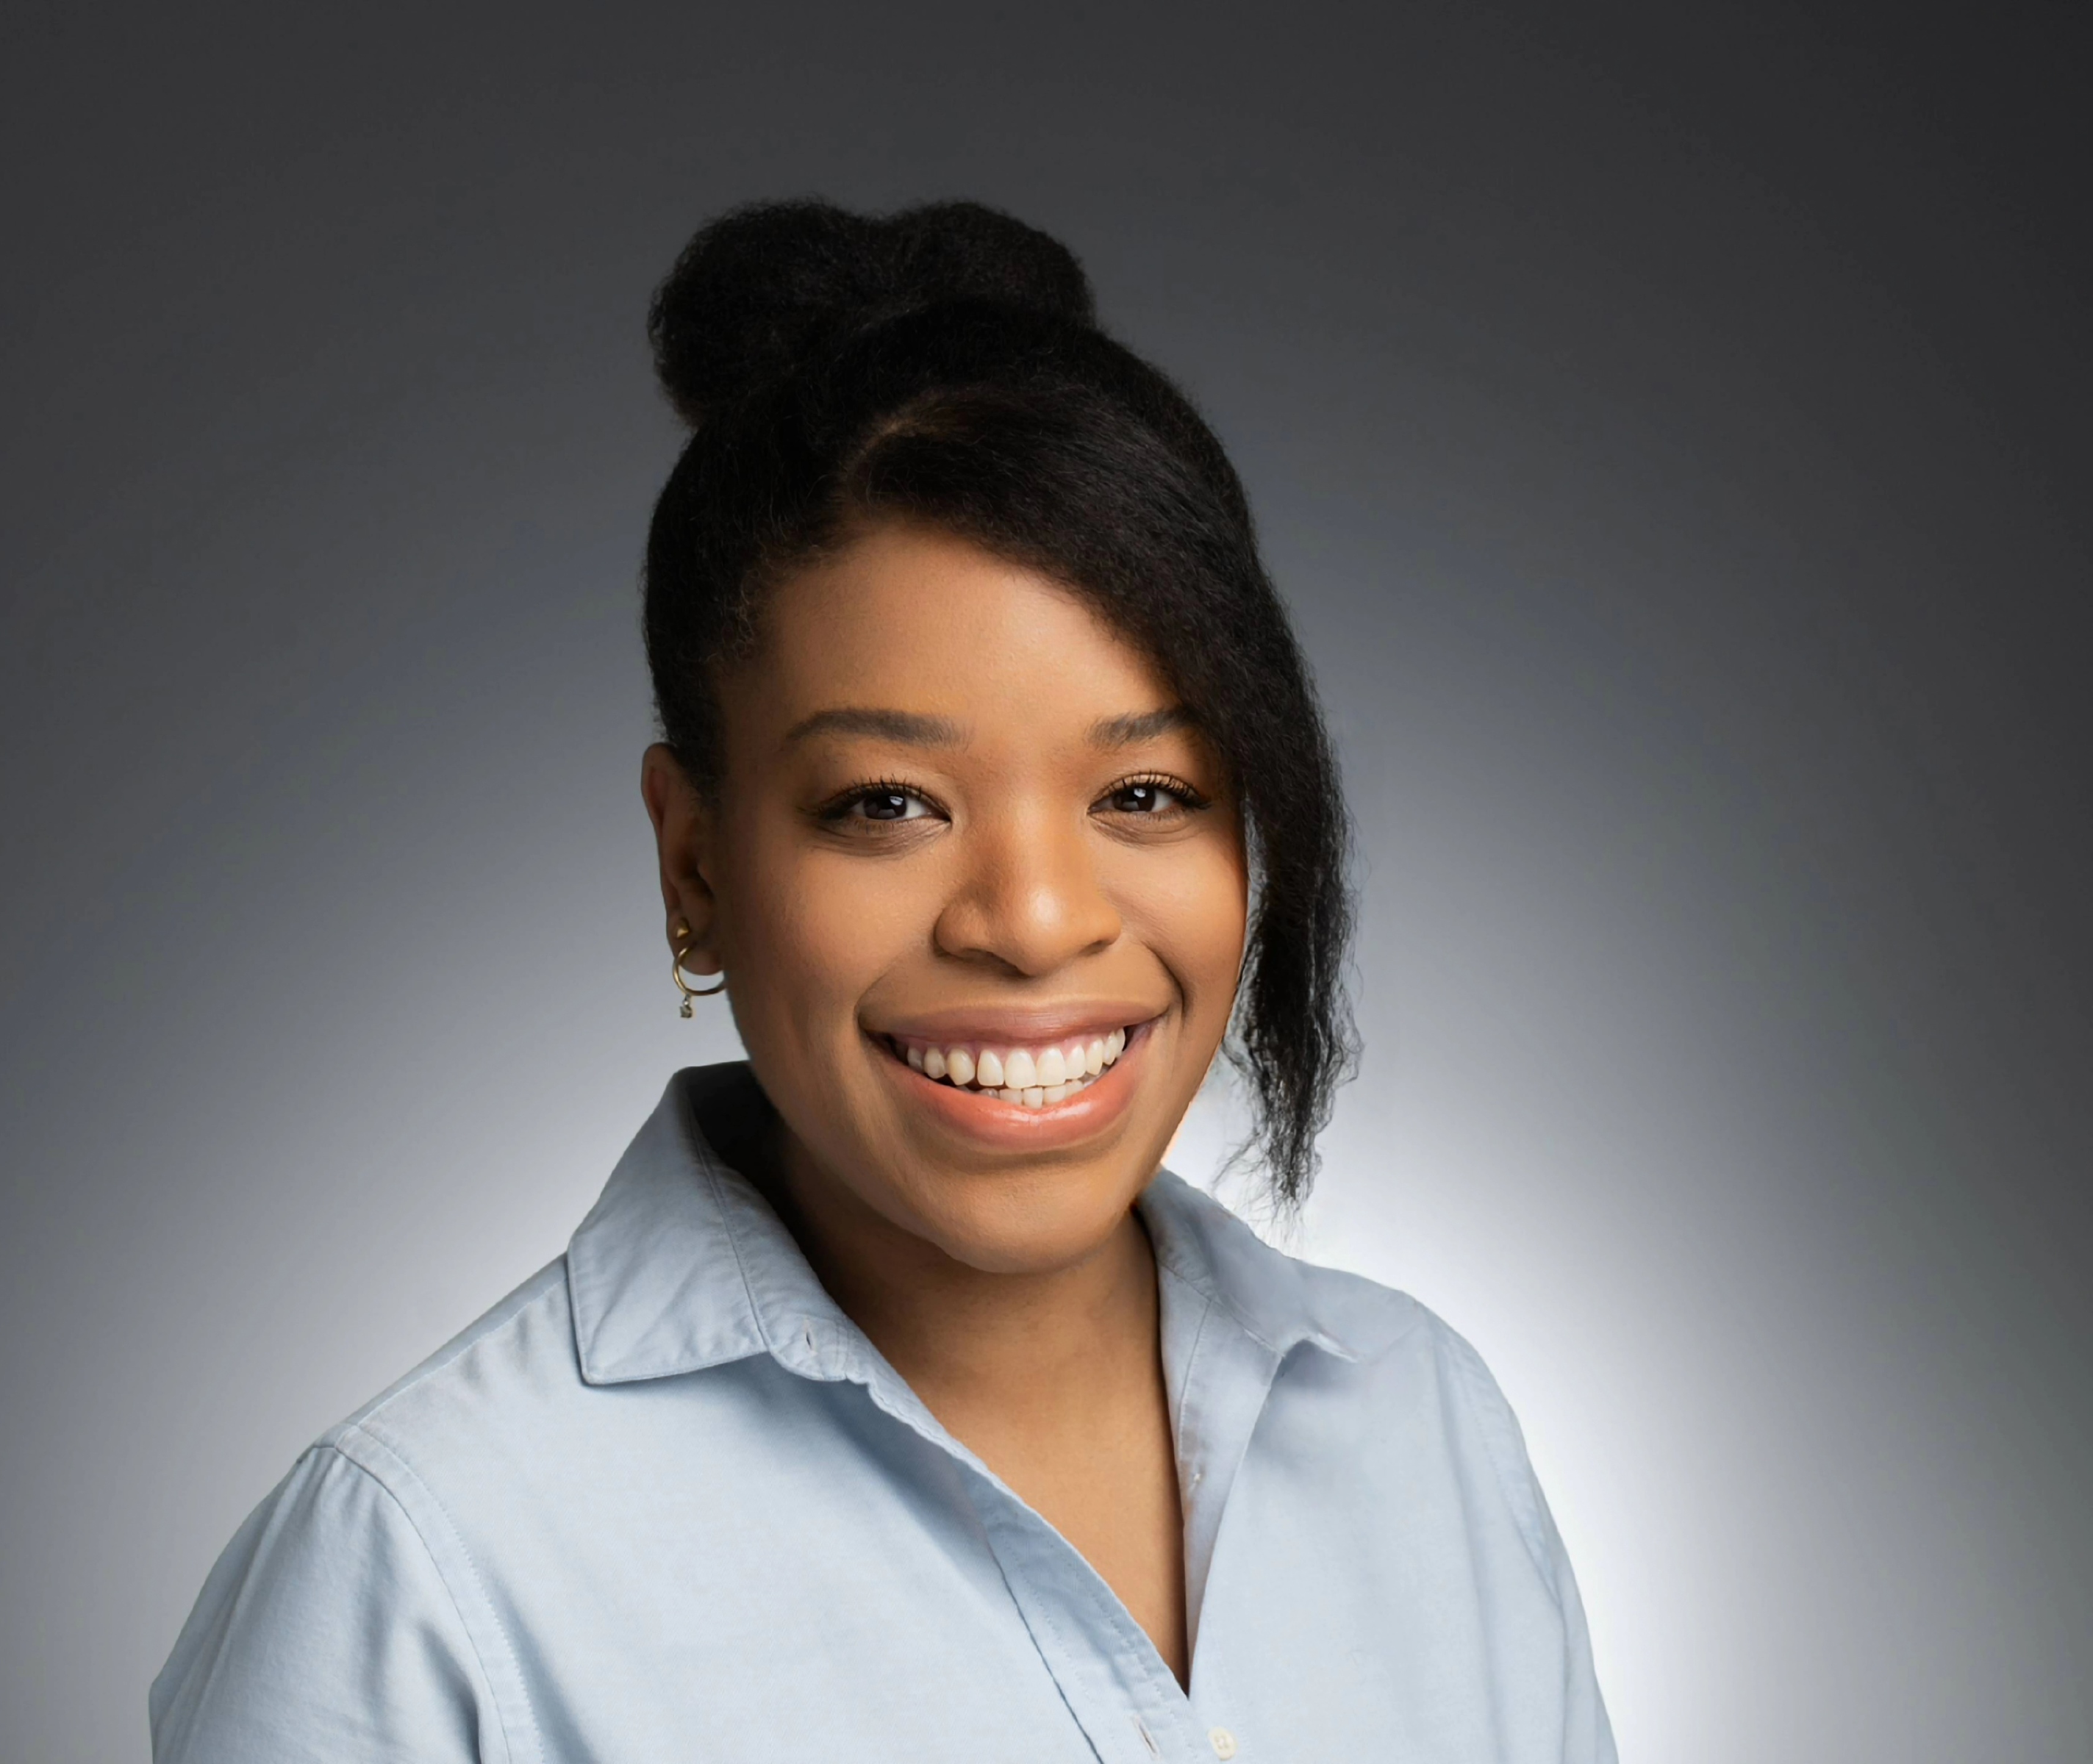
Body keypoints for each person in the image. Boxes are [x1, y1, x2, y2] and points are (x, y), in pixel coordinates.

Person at [151, 199, 1616, 1763]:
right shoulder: (421, 1575)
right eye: (888, 806)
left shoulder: (1420, 1423)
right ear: (696, 866)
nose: (1034, 923)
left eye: (1146, 793)